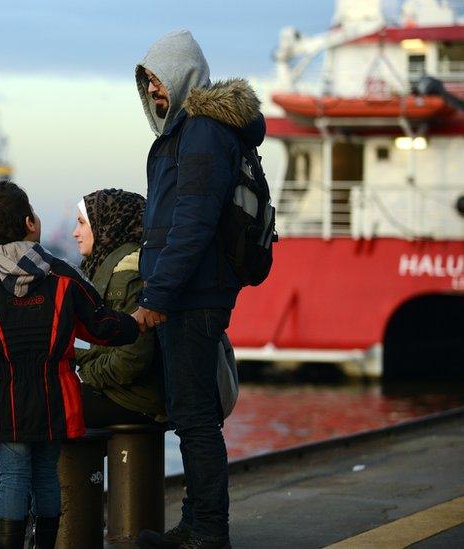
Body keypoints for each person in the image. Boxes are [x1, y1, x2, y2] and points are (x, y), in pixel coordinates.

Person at [0, 189, 166, 540]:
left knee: (12, 478)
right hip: (55, 397)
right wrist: (137, 320)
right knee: (46, 476)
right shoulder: (63, 277)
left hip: (3, 402)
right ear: (30, 223)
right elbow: (102, 327)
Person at [129, 30, 265, 549]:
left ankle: (208, 532)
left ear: (182, 72)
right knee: (193, 416)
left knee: (196, 421)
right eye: (147, 83)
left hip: (193, 293)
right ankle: (197, 524)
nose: (153, 91)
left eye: (158, 79)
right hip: (191, 288)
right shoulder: (189, 129)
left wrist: (156, 296)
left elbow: (192, 222)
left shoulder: (203, 131)